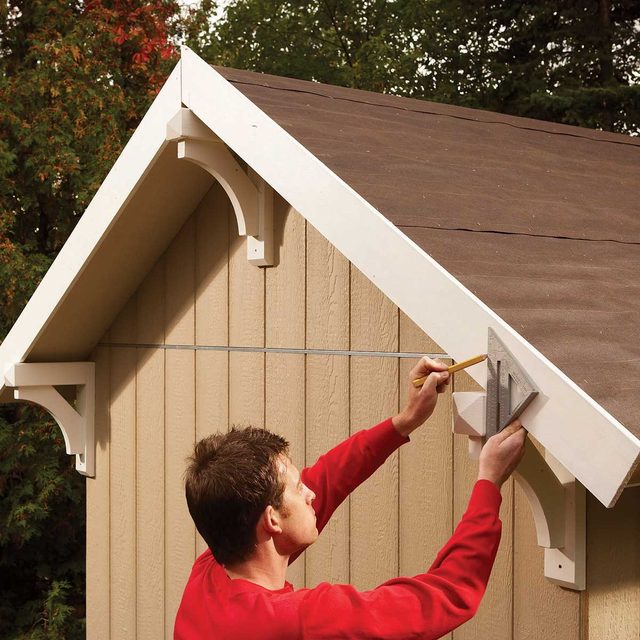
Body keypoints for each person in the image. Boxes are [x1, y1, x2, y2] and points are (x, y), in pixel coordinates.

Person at [174, 356, 527, 639]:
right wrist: (489, 483)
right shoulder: (302, 622)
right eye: (299, 488)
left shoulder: (207, 576)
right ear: (272, 520)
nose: (310, 492)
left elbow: (326, 480)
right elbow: (446, 596)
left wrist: (404, 422)